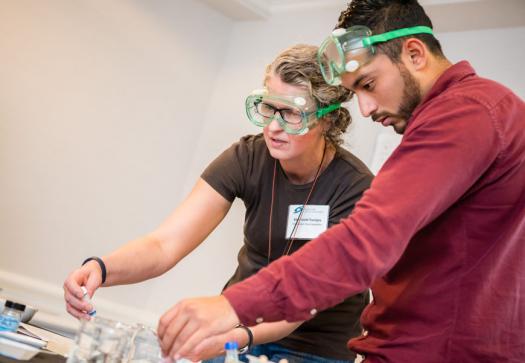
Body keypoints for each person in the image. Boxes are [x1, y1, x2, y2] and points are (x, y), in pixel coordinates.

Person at [155, 1, 525, 362]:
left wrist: (234, 304)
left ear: (414, 54)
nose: (364, 108)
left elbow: (364, 242)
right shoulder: (480, 112)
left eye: (368, 84)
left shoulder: (466, 112)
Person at [63, 44, 373, 363]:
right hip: (238, 327)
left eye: (292, 113)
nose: (273, 127)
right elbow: (165, 244)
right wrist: (101, 268)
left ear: (326, 120)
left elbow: (300, 303)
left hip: (313, 349)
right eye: (268, 107)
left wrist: (233, 335)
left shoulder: (355, 188)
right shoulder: (248, 157)